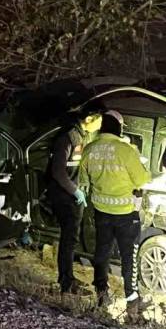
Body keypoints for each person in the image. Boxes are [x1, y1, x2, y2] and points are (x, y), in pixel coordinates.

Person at [77, 110, 151, 318]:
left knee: (102, 253)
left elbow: (84, 179)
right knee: (129, 257)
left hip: (101, 212)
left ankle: (102, 294)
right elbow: (141, 180)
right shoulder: (125, 150)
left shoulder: (89, 149)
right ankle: (132, 303)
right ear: (118, 127)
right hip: (126, 213)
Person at [45, 110, 101, 295]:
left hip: (70, 194)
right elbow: (58, 171)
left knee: (71, 239)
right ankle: (66, 283)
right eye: (98, 120)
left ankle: (67, 279)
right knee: (69, 240)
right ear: (89, 118)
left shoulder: (81, 136)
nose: (99, 125)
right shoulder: (68, 137)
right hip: (64, 196)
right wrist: (75, 191)